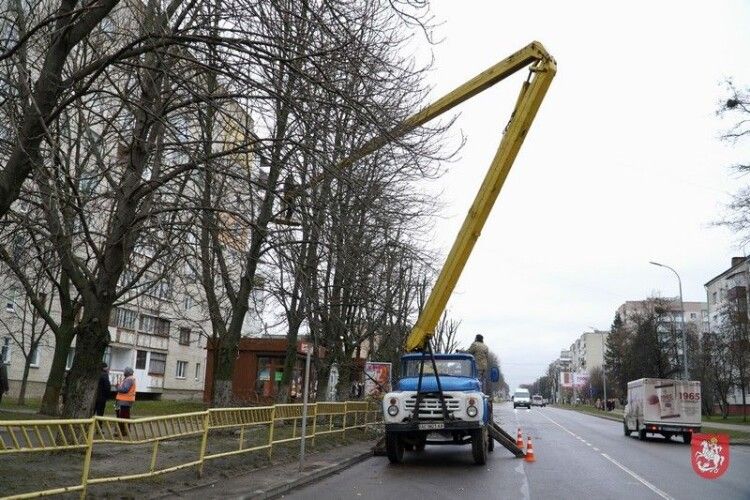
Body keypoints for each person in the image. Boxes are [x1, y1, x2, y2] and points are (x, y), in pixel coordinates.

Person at [115, 367, 136, 436]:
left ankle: (122, 431)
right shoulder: (129, 379)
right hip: (125, 401)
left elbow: (125, 389)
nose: (123, 372)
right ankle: (125, 431)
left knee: (122, 417)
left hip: (124, 401)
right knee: (125, 416)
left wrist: (118, 387)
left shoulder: (129, 379)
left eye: (124, 371)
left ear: (127, 372)